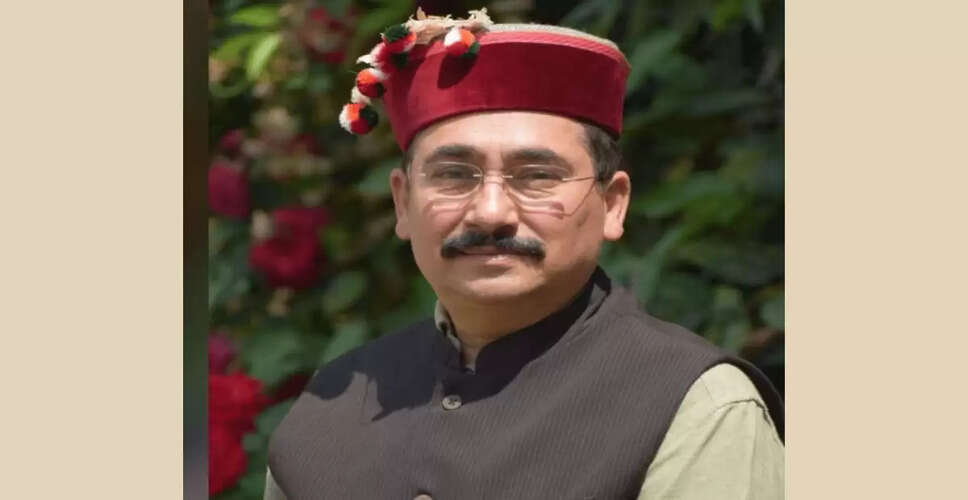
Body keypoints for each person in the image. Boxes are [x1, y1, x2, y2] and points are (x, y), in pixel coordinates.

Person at [265, 9, 783, 499]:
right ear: (403, 203)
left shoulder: (693, 406)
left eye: (536, 177)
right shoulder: (328, 410)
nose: (490, 213)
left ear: (612, 204)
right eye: (453, 175)